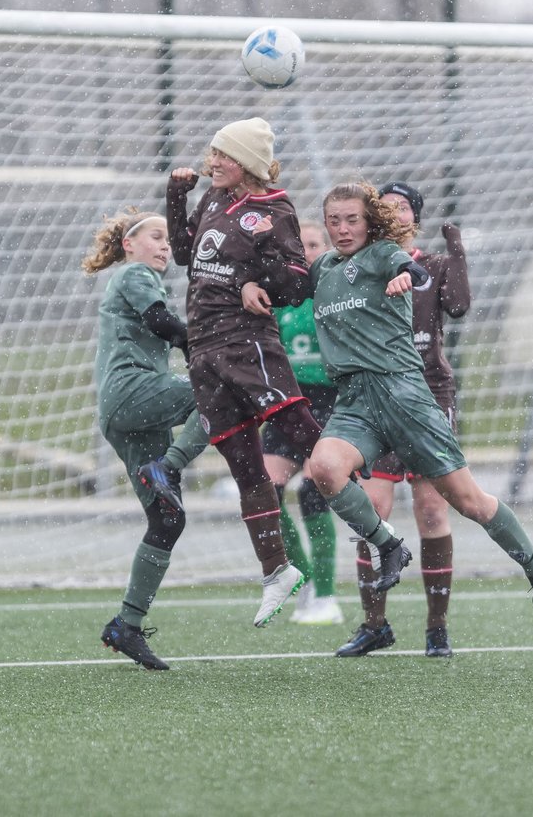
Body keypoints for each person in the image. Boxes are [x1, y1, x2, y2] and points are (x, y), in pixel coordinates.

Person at [304, 182, 533, 657]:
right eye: (334, 220)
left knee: (467, 502)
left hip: (404, 396)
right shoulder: (323, 268)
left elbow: (412, 272)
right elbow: (285, 283)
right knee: (323, 469)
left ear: (371, 223)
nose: (342, 229)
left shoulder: (384, 254)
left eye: (352, 219)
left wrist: (409, 275)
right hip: (355, 400)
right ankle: (387, 548)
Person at [152, 116, 325, 627]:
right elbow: (186, 256)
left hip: (245, 341)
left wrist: (255, 278)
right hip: (204, 346)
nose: (211, 162)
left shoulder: (274, 209)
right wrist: (176, 198)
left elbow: (297, 282)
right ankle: (276, 572)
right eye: (210, 153)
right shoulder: (213, 199)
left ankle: (377, 536)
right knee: (245, 468)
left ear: (246, 162)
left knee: (299, 429)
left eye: (221, 155)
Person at [341, 181, 470, 658]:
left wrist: (457, 253)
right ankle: (375, 624)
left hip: (427, 393)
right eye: (386, 207)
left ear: (415, 218)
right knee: (370, 511)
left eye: (403, 208)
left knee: (432, 509)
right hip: (375, 394)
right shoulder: (358, 266)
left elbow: (457, 306)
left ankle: (437, 627)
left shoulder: (431, 266)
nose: (394, 213)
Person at [84, 209, 210, 670]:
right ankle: (170, 466)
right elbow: (163, 323)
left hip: (128, 414)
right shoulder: (134, 274)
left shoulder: (142, 276)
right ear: (129, 245)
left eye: (166, 240)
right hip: (130, 392)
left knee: (167, 521)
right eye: (154, 236)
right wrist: (205, 349)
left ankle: (126, 626)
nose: (164, 246)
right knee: (218, 393)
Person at [262, 222, 343, 625]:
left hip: (329, 402)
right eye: (301, 245)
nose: (307, 251)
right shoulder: (279, 296)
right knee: (265, 491)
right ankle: (305, 576)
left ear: (326, 250)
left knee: (314, 490)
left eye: (314, 244)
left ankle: (327, 595)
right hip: (286, 403)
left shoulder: (337, 292)